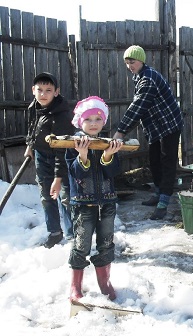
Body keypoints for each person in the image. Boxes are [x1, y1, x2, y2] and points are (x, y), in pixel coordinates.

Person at [113, 45, 183, 220]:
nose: (130, 65)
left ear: (141, 61)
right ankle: (159, 192)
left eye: (133, 62)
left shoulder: (148, 79)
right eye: (127, 62)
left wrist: (121, 131)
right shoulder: (138, 76)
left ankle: (164, 202)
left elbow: (138, 107)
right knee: (154, 160)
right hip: (155, 127)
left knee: (167, 162)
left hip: (169, 124)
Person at [66, 96, 123, 302]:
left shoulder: (109, 143)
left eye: (97, 119)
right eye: (88, 119)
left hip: (107, 203)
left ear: (104, 122)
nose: (93, 124)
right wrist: (82, 155)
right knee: (81, 244)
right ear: (80, 121)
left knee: (106, 242)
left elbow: (114, 172)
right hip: (83, 204)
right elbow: (75, 174)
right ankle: (75, 285)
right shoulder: (72, 143)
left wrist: (108, 155)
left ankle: (104, 281)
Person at [24, 72, 74, 248]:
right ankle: (54, 232)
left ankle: (72, 235)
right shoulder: (34, 107)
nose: (43, 94)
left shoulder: (61, 115)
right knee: (46, 195)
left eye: (48, 90)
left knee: (64, 196)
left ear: (56, 92)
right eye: (40, 90)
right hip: (41, 155)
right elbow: (32, 128)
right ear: (33, 90)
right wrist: (30, 145)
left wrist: (58, 178)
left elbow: (63, 149)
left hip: (61, 156)